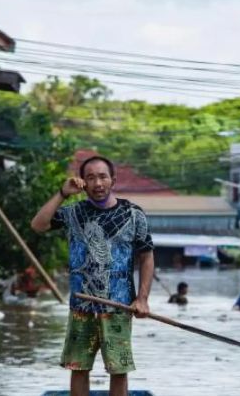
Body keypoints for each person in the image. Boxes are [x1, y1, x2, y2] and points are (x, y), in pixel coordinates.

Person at [31, 155, 154, 396]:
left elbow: (146, 256)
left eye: (102, 177)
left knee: (119, 369)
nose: (97, 183)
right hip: (81, 305)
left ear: (113, 180)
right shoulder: (73, 212)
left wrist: (142, 299)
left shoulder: (133, 214)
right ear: (83, 183)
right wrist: (62, 193)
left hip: (118, 305)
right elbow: (38, 225)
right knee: (78, 366)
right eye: (90, 178)